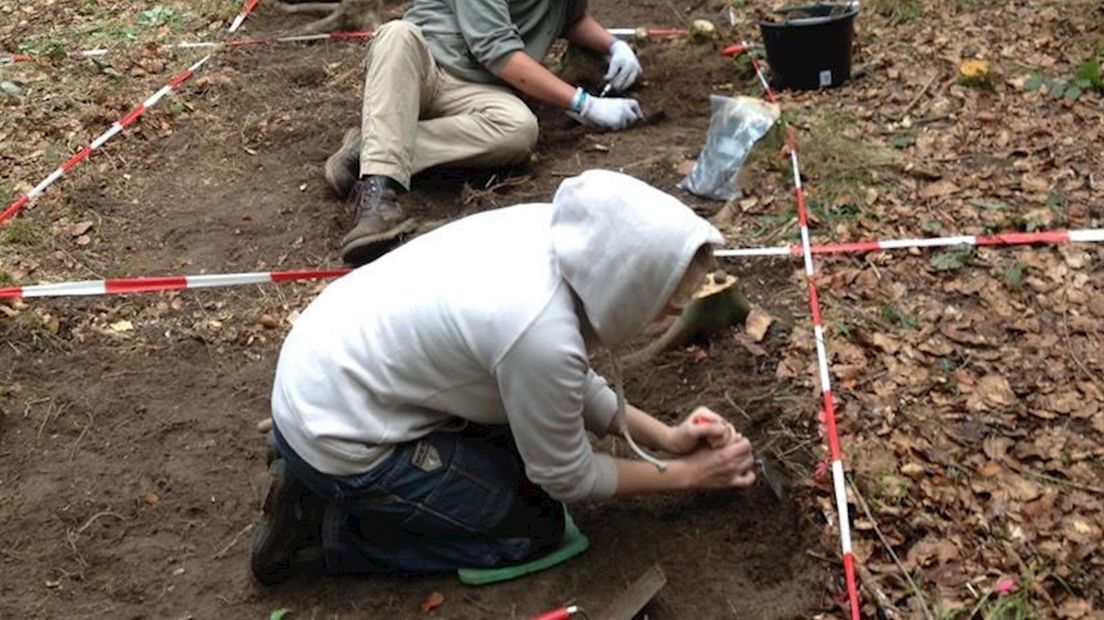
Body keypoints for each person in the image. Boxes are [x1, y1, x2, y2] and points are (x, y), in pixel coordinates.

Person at [251, 170, 758, 584]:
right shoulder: (538, 330)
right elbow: (568, 476)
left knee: (514, 460)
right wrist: (689, 476)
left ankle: (323, 474)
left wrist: (666, 439)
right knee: (530, 529)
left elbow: (563, 378)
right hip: (338, 434)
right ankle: (332, 527)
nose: (666, 317)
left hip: (326, 372)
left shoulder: (566, 236)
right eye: (666, 305)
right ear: (629, 286)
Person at [323, 0, 647, 266]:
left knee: (518, 129)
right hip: (422, 70)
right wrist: (583, 104)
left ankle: (369, 149)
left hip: (479, 90)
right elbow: (498, 52)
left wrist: (615, 45)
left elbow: (571, 19)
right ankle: (378, 195)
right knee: (397, 35)